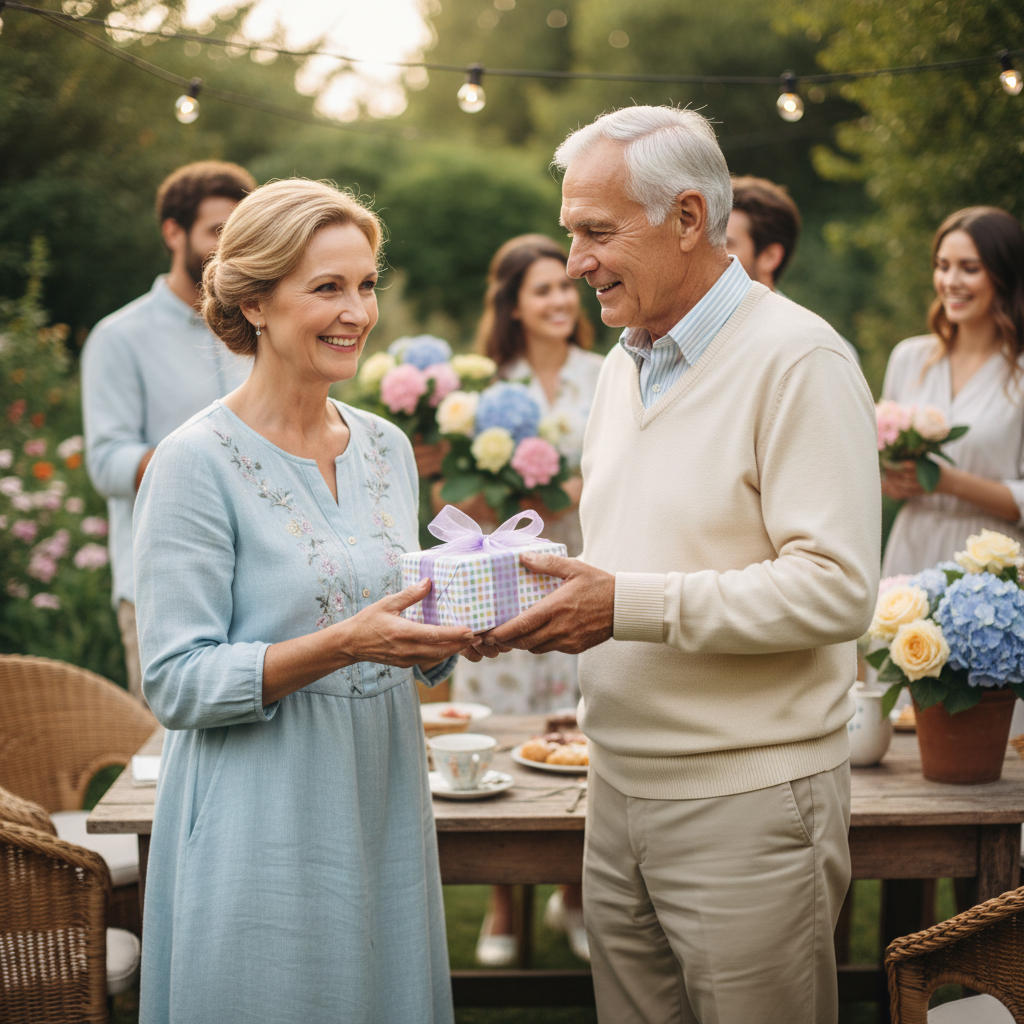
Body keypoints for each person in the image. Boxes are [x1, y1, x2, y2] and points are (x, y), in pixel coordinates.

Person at [470, 106, 881, 1022]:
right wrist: (536, 596)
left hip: (750, 805)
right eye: (574, 232)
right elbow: (636, 558)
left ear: (688, 219)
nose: (576, 261)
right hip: (614, 792)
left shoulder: (800, 359)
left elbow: (838, 589)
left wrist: (623, 608)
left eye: (596, 232)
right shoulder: (624, 365)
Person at [132, 179, 474, 1023]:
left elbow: (393, 609)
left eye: (365, 286)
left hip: (381, 797)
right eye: (327, 288)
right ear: (253, 302)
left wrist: (465, 621)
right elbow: (175, 682)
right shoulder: (193, 462)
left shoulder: (388, 446)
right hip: (259, 814)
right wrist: (344, 644)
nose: (357, 311)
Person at [448, 234, 602, 966]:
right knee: (507, 731)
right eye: (542, 290)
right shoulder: (478, 389)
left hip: (577, 571)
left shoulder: (605, 374)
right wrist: (509, 493)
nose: (559, 300)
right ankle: (502, 901)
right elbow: (459, 498)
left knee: (579, 735)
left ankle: (572, 893)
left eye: (565, 287)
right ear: (512, 302)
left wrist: (566, 490)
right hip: (500, 579)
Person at [82, 161, 256, 702]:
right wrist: (202, 462)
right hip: (162, 581)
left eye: (238, 233)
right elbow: (107, 460)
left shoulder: (260, 323)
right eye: (215, 232)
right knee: (169, 744)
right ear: (172, 232)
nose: (227, 248)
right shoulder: (120, 337)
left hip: (261, 576)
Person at [880, 206, 1024, 736]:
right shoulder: (910, 358)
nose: (951, 281)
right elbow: (883, 459)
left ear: (1003, 275)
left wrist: (942, 481)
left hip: (992, 566)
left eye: (969, 267)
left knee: (986, 728)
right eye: (943, 265)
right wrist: (887, 476)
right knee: (898, 712)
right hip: (910, 549)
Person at [727, 174, 860, 363]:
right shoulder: (683, 337)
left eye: (725, 244)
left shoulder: (820, 352)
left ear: (769, 257)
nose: (709, 255)